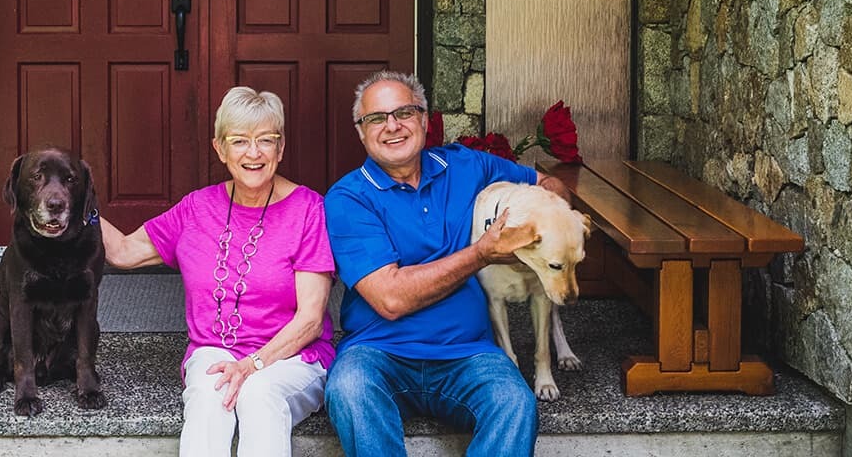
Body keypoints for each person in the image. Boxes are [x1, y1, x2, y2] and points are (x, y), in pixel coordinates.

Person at [322, 71, 566, 457]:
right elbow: (391, 299)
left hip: (467, 351)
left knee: (514, 402)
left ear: (424, 119)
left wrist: (539, 219)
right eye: (376, 118)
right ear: (361, 131)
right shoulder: (348, 198)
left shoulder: (465, 166)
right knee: (349, 389)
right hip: (379, 352)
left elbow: (549, 184)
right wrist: (481, 253)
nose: (392, 126)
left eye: (404, 112)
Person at [102, 87, 336, 457]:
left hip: (291, 358)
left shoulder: (308, 210)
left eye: (265, 140)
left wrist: (251, 364)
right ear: (220, 148)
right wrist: (74, 202)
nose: (253, 152)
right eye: (240, 140)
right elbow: (123, 252)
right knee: (210, 398)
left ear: (281, 147)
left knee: (260, 394)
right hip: (213, 351)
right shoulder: (197, 208)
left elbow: (309, 320)